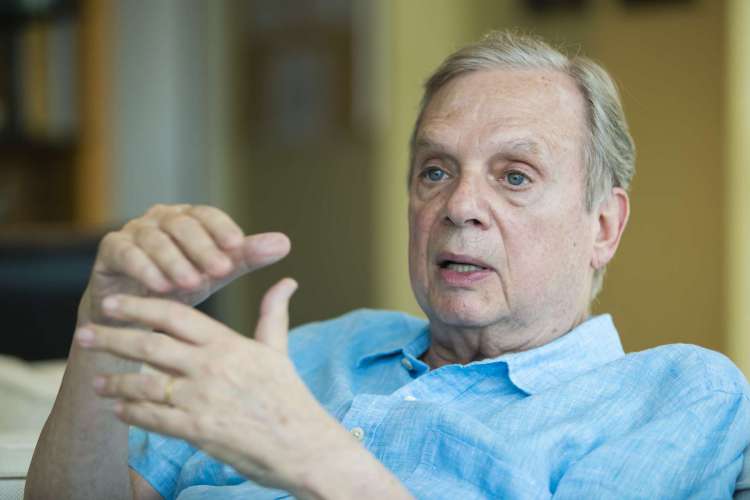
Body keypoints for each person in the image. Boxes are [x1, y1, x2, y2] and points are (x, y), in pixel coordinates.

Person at [25, 30, 749, 499]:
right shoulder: (320, 350)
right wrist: (107, 327)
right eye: (436, 170)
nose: (460, 205)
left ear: (603, 226)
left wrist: (314, 459)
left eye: (515, 176)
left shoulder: (675, 396)